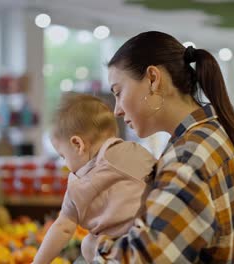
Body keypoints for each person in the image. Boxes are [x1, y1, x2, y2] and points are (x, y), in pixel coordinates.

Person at [93, 31, 234, 263]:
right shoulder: (232, 136)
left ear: (153, 79)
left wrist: (98, 249)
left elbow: (146, 258)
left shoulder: (186, 159)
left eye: (118, 92)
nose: (116, 110)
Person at [32, 93, 156, 264]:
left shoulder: (78, 185)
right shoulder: (135, 151)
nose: (65, 163)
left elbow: (62, 228)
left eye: (63, 156)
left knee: (88, 244)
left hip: (122, 251)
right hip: (153, 241)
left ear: (77, 144)